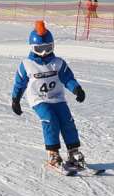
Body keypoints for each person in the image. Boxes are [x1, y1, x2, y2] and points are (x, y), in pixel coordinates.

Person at [10, 21, 89, 171]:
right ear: (33, 48)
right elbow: (20, 84)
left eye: (48, 48)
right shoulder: (27, 64)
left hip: (57, 97)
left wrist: (77, 89)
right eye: (40, 49)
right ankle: (53, 154)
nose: (45, 52)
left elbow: (68, 78)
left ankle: (73, 153)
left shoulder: (57, 63)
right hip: (38, 99)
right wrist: (16, 100)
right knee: (50, 119)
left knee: (67, 120)